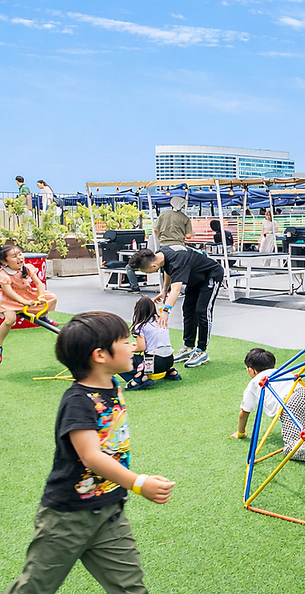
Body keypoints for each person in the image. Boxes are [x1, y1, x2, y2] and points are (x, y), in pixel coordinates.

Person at [4, 312, 174, 594]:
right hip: (67, 518)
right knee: (34, 588)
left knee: (131, 588)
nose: (133, 344)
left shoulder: (113, 385)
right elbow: (91, 456)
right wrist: (138, 482)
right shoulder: (77, 402)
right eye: (124, 340)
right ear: (100, 355)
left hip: (110, 513)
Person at [233, 347, 305, 473]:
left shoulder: (255, 382)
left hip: (290, 402)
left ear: (251, 370)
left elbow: (244, 413)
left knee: (291, 446)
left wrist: (241, 433)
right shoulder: (283, 372)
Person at [128, 246, 224, 368]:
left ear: (153, 266)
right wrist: (164, 290)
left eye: (146, 272)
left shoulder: (178, 261)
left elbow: (176, 290)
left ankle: (201, 350)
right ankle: (188, 346)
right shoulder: (162, 254)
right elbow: (168, 270)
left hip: (211, 275)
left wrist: (166, 311)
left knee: (202, 311)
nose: (148, 273)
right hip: (195, 278)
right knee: (188, 309)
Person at [0, 243, 59, 364]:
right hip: (8, 300)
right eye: (14, 256)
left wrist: (41, 296)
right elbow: (9, 293)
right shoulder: (3, 274)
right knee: (9, 320)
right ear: (4, 261)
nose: (19, 258)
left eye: (20, 254)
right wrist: (25, 302)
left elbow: (39, 284)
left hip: (26, 294)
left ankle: (42, 315)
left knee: (51, 298)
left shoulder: (27, 268)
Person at [121, 297, 179, 390]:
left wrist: (129, 348)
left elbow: (141, 347)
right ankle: (171, 371)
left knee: (120, 357)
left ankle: (139, 378)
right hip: (169, 360)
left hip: (153, 363)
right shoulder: (161, 321)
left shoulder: (140, 326)